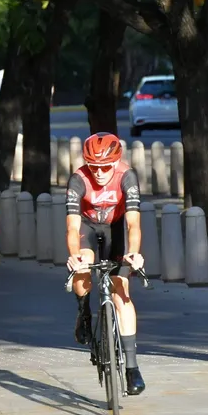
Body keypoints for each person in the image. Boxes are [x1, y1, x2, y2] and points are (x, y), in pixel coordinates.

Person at [66, 132, 145, 396]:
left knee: (121, 293)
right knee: (83, 265)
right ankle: (84, 312)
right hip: (88, 228)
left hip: (116, 228)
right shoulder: (78, 179)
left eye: (105, 167)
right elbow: (72, 226)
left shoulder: (127, 176)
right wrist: (75, 255)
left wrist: (134, 253)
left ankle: (132, 368)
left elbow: (133, 223)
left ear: (116, 162)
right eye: (93, 166)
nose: (99, 172)